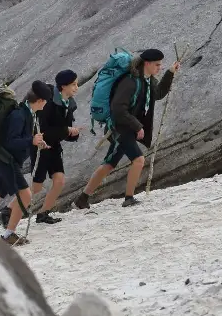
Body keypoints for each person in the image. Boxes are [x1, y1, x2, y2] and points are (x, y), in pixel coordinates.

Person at [74, 49, 180, 210]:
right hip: (119, 128)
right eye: (157, 65)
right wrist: (137, 126)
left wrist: (170, 73)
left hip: (127, 128)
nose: (159, 67)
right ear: (147, 63)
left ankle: (82, 199)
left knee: (109, 163)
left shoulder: (148, 80)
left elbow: (158, 94)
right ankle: (129, 198)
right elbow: (118, 109)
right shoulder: (130, 82)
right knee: (138, 159)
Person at [0, 80, 52, 246]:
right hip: (6, 161)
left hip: (4, 160)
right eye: (46, 102)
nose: (46, 105)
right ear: (39, 101)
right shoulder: (19, 115)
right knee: (26, 195)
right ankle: (8, 235)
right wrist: (31, 140)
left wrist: (36, 142)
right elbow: (11, 141)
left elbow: (18, 140)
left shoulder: (26, 112)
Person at [33, 69, 81, 225]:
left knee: (59, 180)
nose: (76, 87)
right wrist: (66, 130)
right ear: (63, 86)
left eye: (77, 84)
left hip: (54, 146)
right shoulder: (49, 102)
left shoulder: (68, 103)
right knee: (36, 187)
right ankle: (7, 211)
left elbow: (63, 129)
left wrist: (72, 134)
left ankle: (43, 213)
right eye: (73, 84)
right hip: (41, 146)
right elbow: (43, 129)